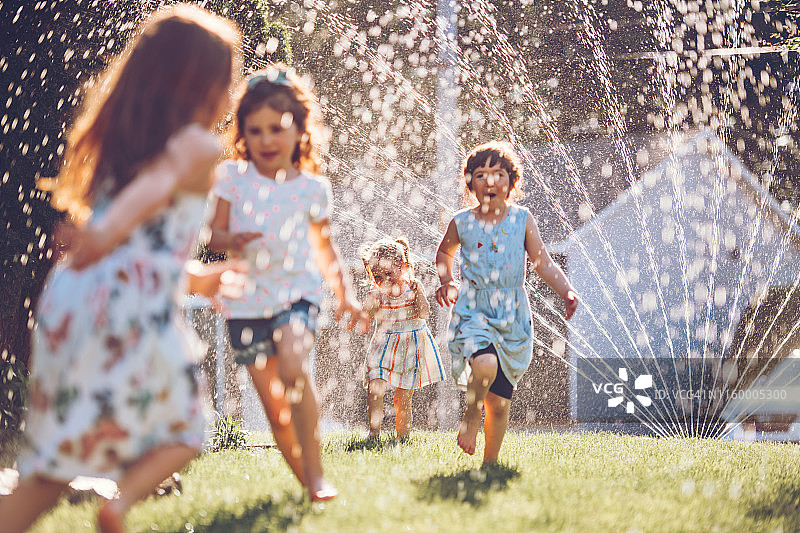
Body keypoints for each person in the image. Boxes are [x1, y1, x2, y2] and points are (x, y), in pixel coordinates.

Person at [0, 5, 241, 533]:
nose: (232, 94)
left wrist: (197, 278)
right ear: (197, 82)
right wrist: (107, 234)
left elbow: (147, 245)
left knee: (50, 469)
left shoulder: (126, 146)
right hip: (122, 303)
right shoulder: (196, 146)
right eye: (227, 78)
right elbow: (153, 194)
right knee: (188, 428)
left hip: (77, 296)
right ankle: (118, 505)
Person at [206, 65, 368, 502]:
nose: (266, 140)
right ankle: (308, 485)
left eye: (277, 129)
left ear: (299, 128)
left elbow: (325, 250)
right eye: (255, 131)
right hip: (244, 303)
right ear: (242, 134)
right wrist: (231, 239)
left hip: (296, 295)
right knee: (277, 414)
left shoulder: (312, 188)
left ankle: (317, 475)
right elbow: (213, 234)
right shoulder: (231, 179)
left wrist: (346, 295)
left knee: (294, 368)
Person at [434, 140, 578, 464]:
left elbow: (543, 263)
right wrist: (447, 281)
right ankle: (471, 417)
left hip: (512, 316)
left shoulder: (522, 220)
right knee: (484, 364)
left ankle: (490, 465)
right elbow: (444, 253)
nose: (489, 181)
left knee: (499, 404)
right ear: (470, 183)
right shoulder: (462, 222)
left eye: (498, 174)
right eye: (481, 174)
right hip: (473, 309)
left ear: (512, 183)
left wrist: (566, 291)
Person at [360, 238, 445, 439]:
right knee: (375, 387)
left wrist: (420, 294)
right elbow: (366, 320)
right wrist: (370, 304)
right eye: (378, 276)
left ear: (404, 267)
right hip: (383, 345)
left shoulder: (413, 288)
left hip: (409, 346)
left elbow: (424, 314)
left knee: (402, 398)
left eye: (389, 273)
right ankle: (374, 433)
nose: (384, 280)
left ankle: (403, 436)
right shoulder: (377, 293)